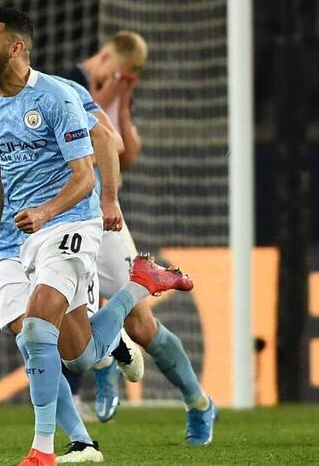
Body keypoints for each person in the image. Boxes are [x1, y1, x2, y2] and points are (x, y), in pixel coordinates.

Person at [0, 7, 194, 466]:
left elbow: (84, 175)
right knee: (78, 356)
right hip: (17, 238)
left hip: (69, 225)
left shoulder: (57, 96)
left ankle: (45, 450)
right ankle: (138, 287)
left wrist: (57, 209)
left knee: (35, 328)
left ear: (16, 47)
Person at [75, 31, 217, 445]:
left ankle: (199, 403)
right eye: (123, 72)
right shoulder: (64, 82)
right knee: (64, 313)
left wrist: (116, 97)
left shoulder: (112, 92)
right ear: (105, 56)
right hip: (60, 221)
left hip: (100, 219)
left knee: (142, 324)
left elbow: (124, 152)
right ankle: (106, 364)